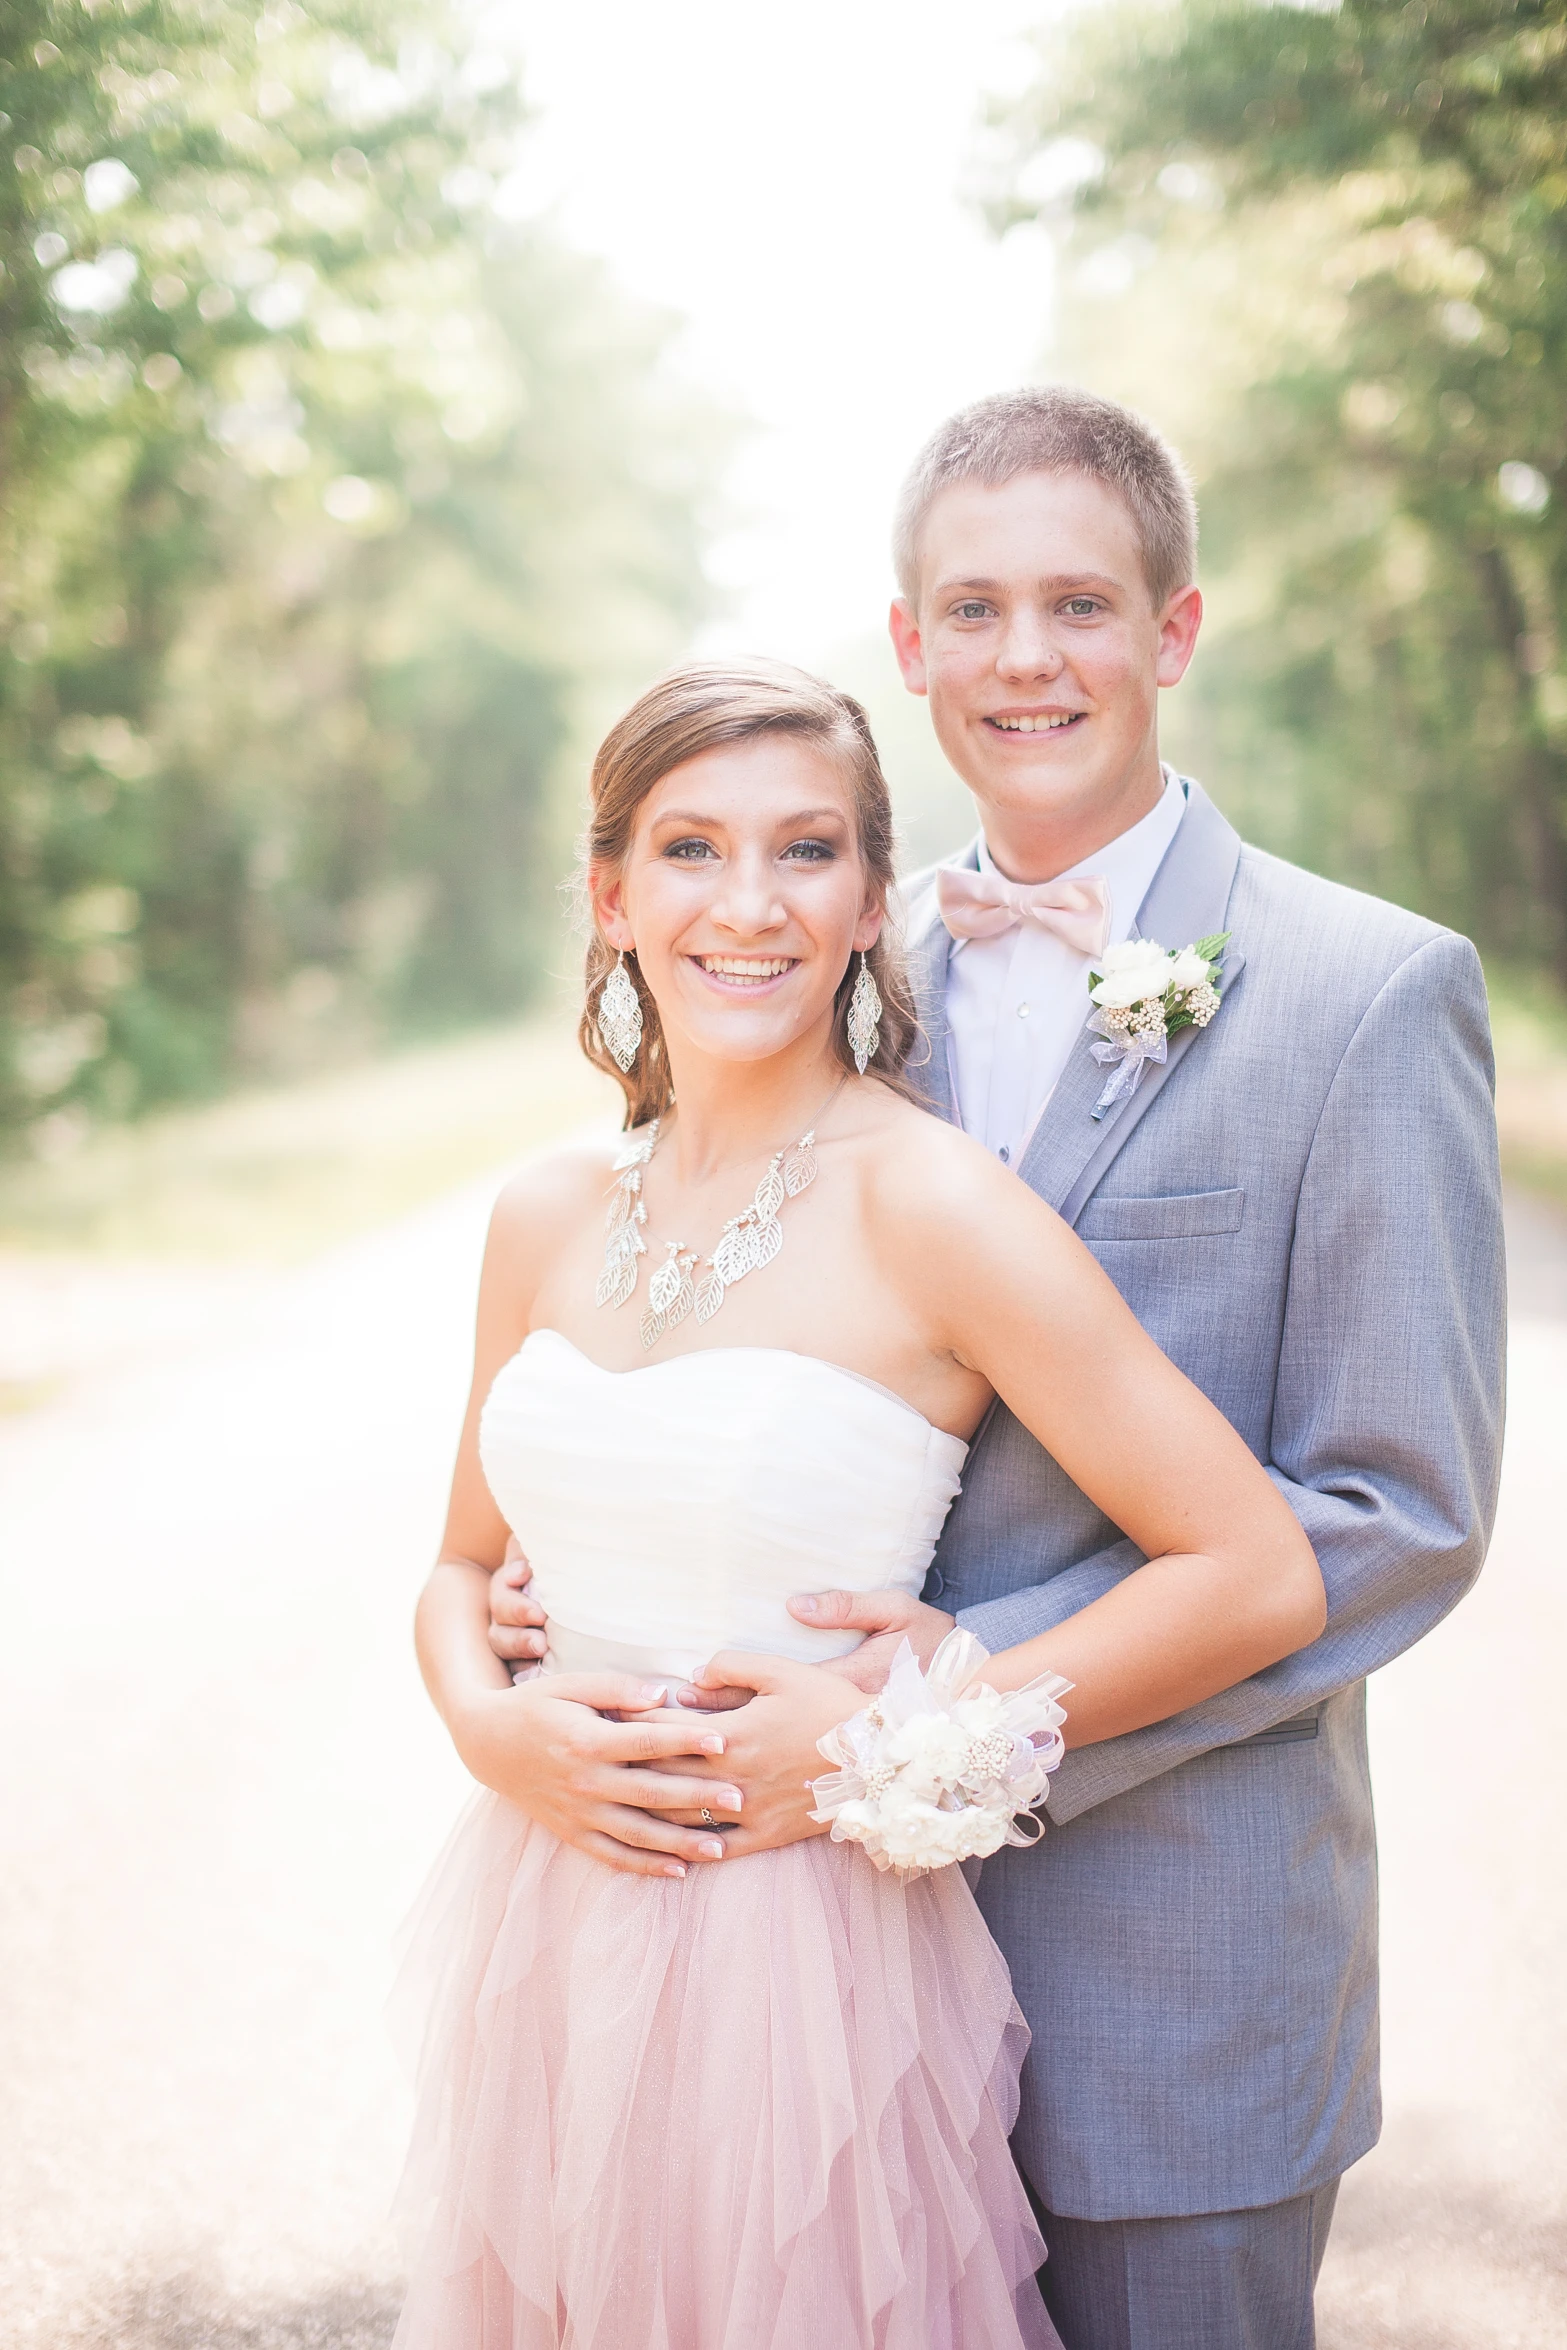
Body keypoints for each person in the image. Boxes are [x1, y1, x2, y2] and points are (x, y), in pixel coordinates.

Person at [490, 391, 1508, 2350]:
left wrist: (924, 1715)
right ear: (911, 646)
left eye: (1078, 604)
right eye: (973, 609)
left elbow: (1394, 1518)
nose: (1025, 658)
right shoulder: (838, 979)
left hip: (1169, 1978)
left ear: (1174, 630)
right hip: (803, 1990)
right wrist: (589, 1574)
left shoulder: (1366, 994)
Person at [393, 656, 1328, 2347]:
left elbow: (1253, 1569)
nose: (746, 904)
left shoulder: (932, 1203)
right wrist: (487, 1724)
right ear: (609, 894)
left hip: (790, 1971)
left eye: (804, 851)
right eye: (689, 849)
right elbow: (459, 1569)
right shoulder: (538, 1212)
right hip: (542, 1921)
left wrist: (893, 1727)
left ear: (870, 901)